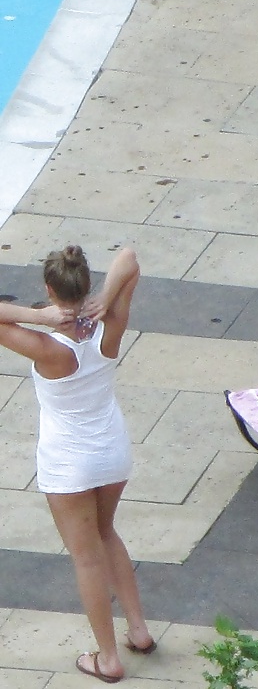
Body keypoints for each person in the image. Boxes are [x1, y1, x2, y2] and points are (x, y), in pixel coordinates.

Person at [0, 246, 155, 683]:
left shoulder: (46, 347)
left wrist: (42, 317)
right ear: (85, 283)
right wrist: (106, 297)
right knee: (107, 534)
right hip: (112, 452)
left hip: (68, 463)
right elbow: (129, 258)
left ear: (49, 289)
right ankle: (138, 631)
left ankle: (108, 658)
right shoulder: (110, 327)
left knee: (85, 558)